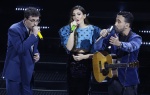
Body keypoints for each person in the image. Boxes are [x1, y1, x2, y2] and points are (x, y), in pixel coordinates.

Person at [94, 11, 142, 95]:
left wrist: (119, 44)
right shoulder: (113, 35)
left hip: (129, 83)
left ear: (127, 25)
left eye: (119, 21)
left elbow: (131, 46)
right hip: (113, 80)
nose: (115, 24)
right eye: (115, 21)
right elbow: (97, 48)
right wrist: (102, 37)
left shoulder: (136, 38)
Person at [58, 5, 101, 95]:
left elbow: (100, 45)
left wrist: (105, 32)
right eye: (73, 15)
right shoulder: (66, 29)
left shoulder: (93, 29)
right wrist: (72, 30)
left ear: (84, 16)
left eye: (78, 14)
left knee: (84, 88)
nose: (76, 17)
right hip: (73, 60)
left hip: (86, 60)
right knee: (72, 88)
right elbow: (69, 48)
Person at [2, 7, 41, 95]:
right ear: (25, 19)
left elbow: (33, 48)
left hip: (27, 73)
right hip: (15, 73)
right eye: (32, 20)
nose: (35, 23)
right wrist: (33, 36)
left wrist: (37, 54)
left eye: (37, 20)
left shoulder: (35, 30)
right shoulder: (14, 29)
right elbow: (20, 48)